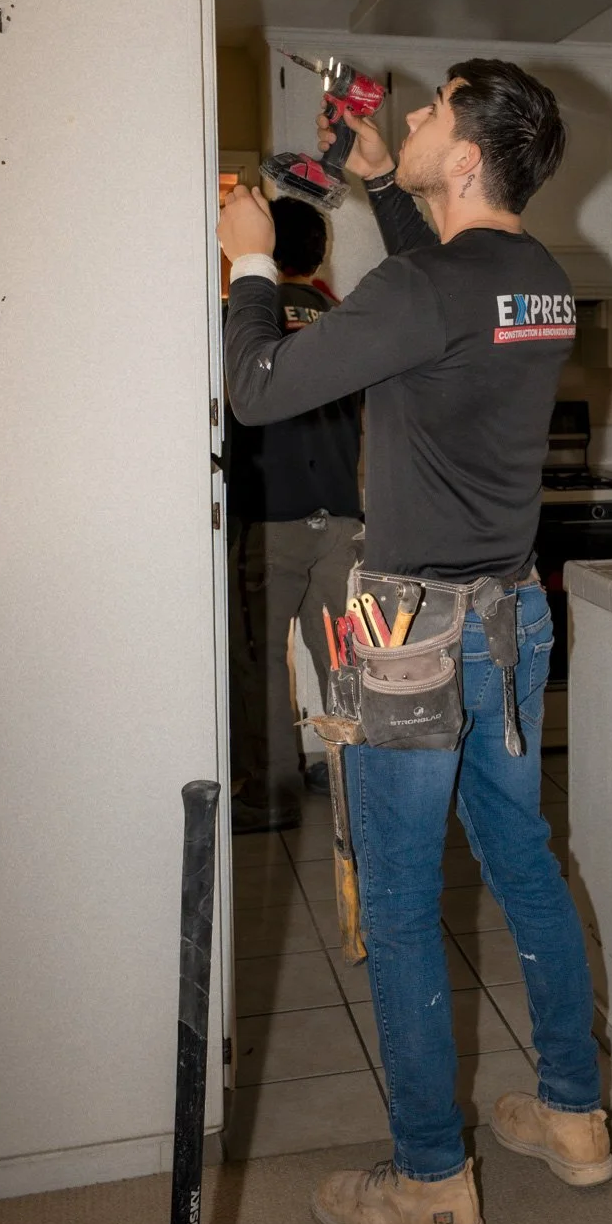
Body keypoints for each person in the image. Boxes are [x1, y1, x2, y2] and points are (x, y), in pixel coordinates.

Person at [218, 60, 612, 1224]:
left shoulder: (425, 281)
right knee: (522, 863)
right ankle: (573, 1113)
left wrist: (246, 256)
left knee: (395, 899)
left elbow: (258, 384)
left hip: (405, 636)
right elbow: (442, 297)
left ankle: (433, 1180)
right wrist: (389, 186)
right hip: (509, 617)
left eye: (430, 113)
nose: (411, 118)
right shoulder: (537, 278)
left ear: (467, 157)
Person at [224, 196, 362, 833]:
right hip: (341, 519)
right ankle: (350, 781)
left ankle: (272, 792)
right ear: (318, 252)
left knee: (260, 661)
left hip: (271, 522)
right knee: (343, 659)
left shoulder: (245, 316)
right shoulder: (342, 318)